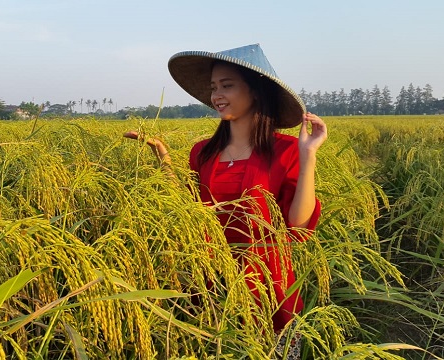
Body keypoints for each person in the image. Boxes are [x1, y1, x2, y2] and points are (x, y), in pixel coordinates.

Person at [124, 44, 327, 355]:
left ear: (256, 90)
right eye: (214, 87)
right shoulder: (202, 152)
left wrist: (308, 154)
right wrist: (163, 157)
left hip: (269, 291)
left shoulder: (287, 151)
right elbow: (190, 214)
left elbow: (299, 226)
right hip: (210, 285)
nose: (216, 95)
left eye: (227, 85)